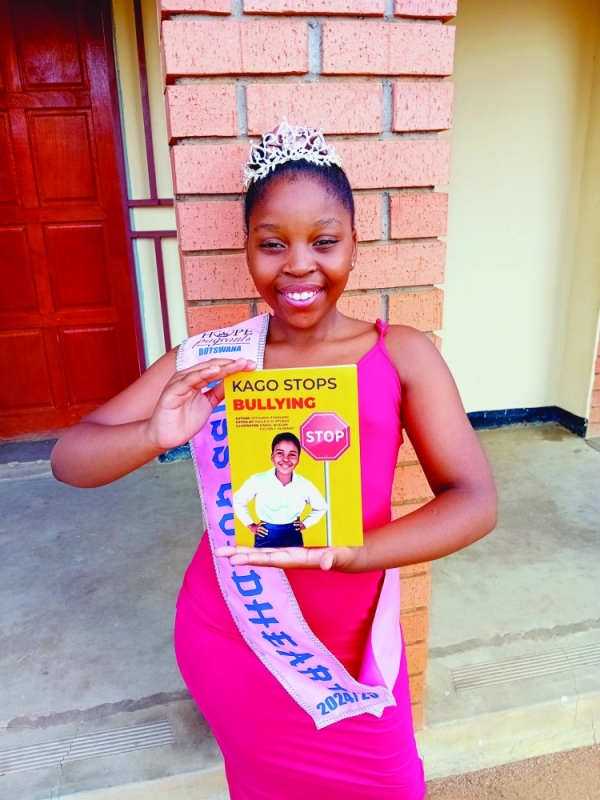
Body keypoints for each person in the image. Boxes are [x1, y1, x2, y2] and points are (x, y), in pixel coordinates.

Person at [51, 121, 497, 800]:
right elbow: (70, 459)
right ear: (248, 251)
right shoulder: (211, 361)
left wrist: (357, 554)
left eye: (324, 241)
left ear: (355, 244)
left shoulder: (401, 354)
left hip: (353, 648)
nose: (298, 265)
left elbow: (475, 500)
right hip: (238, 638)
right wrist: (154, 433)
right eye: (272, 244)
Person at [232, 431, 327, 548]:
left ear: (298, 459)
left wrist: (305, 524)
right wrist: (251, 525)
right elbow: (238, 500)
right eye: (280, 453)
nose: (286, 459)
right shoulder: (258, 480)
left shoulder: (304, 485)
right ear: (272, 457)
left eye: (292, 454)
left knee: (294, 560)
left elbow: (321, 507)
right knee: (264, 559)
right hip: (266, 534)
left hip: (292, 534)